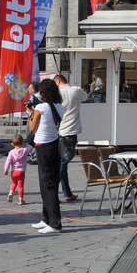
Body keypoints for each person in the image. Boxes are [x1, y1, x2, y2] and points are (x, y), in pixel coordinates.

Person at [28, 77, 64, 233]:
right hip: (55, 145)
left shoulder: (41, 108)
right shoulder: (59, 106)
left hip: (43, 146)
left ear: (42, 93)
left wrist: (30, 112)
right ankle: (47, 218)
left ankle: (55, 223)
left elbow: (33, 127)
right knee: (51, 182)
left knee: (47, 184)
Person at [56, 74, 88, 202]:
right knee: (64, 162)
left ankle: (67, 192)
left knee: (63, 161)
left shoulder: (56, 93)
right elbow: (85, 97)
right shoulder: (76, 90)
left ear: (57, 82)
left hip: (59, 130)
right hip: (71, 131)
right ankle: (53, 189)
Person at [4, 134, 33, 205]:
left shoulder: (11, 152)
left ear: (12, 144)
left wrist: (6, 169)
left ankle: (11, 192)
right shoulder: (25, 150)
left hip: (13, 171)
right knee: (20, 185)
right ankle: (21, 200)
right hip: (21, 171)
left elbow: (8, 161)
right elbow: (31, 147)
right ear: (22, 143)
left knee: (14, 183)